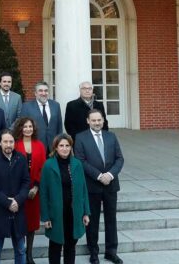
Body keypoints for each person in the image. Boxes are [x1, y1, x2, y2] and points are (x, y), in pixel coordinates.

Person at [74, 109, 124, 264]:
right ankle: (93, 252)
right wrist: (98, 176)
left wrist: (109, 175)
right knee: (92, 221)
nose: (97, 123)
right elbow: (80, 161)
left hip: (111, 185)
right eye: (93, 120)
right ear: (88, 121)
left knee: (111, 219)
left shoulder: (111, 136)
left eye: (99, 120)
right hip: (92, 186)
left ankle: (111, 252)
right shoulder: (80, 138)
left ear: (103, 121)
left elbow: (119, 159)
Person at [40, 134, 91, 264]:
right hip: (56, 214)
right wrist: (45, 217)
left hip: (74, 213)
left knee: (70, 246)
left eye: (67, 146)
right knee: (55, 246)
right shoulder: (48, 165)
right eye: (61, 146)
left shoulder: (77, 164)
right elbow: (44, 193)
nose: (64, 148)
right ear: (55, 148)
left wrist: (86, 212)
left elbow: (84, 189)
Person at [0, 129, 30, 264]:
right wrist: (7, 202)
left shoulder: (21, 158)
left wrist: (18, 200)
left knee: (21, 250)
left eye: (11, 141)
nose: (8, 145)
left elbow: (26, 182)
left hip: (18, 210)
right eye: (5, 142)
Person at [12, 117, 46, 264]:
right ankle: (20, 254)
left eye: (30, 126)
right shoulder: (15, 145)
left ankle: (29, 255)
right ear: (20, 128)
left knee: (31, 224)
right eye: (25, 126)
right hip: (18, 190)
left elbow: (42, 168)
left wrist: (36, 187)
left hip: (34, 191)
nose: (28, 129)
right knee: (20, 223)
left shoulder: (39, 145)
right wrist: (22, 191)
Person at [21, 81, 63, 154]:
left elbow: (59, 127)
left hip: (53, 146)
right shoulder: (26, 107)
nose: (43, 93)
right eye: (40, 91)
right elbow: (22, 127)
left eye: (46, 91)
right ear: (35, 93)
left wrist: (59, 143)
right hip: (35, 146)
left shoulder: (56, 105)